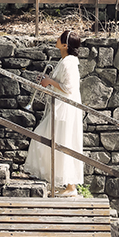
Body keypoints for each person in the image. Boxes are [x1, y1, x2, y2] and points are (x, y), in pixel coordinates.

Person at [23, 29, 85, 196]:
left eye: (59, 38)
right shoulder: (66, 60)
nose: (56, 39)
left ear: (65, 45)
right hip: (62, 107)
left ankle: (71, 187)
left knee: (61, 141)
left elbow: (69, 88)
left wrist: (49, 81)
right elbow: (61, 84)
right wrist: (47, 82)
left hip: (65, 108)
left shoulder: (68, 62)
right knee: (56, 140)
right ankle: (67, 184)